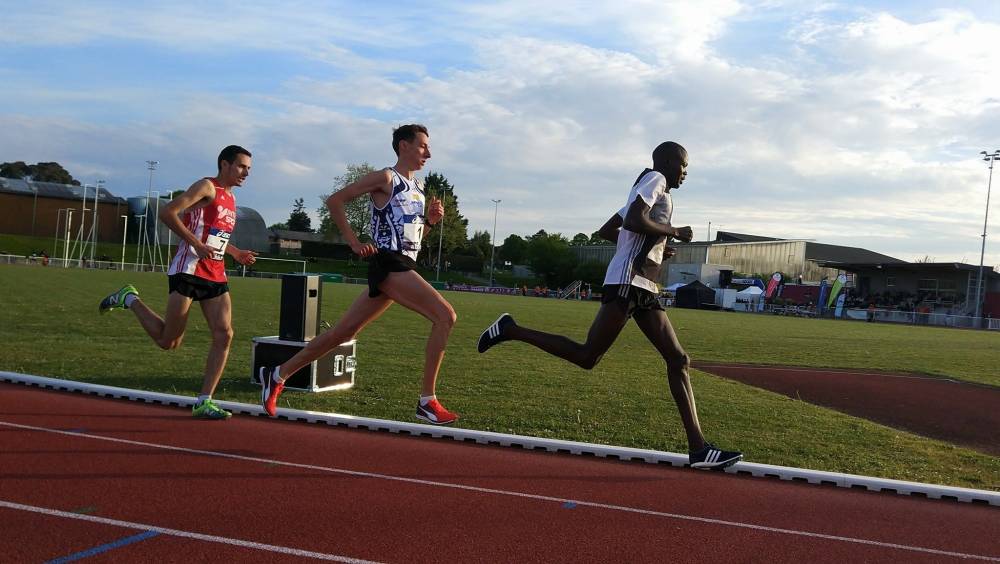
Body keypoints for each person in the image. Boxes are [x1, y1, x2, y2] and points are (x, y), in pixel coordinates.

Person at [477, 141, 742, 469]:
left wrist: (656, 246)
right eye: (683, 165)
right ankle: (510, 329)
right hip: (627, 283)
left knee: (678, 359)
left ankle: (699, 449)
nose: (686, 172)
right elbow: (632, 221)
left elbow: (609, 230)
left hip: (642, 286)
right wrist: (672, 231)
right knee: (588, 356)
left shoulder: (644, 188)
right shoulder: (656, 179)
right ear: (666, 162)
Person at [259, 124, 459, 425]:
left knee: (343, 333)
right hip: (388, 264)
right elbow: (335, 200)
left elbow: (411, 241)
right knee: (445, 316)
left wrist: (429, 222)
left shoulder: (418, 188)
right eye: (423, 146)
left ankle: (277, 374)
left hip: (403, 263)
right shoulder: (386, 178)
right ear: (403, 146)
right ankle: (427, 401)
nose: (428, 153)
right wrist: (354, 242)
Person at [99, 145, 258, 419]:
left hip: (215, 273)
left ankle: (204, 401)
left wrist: (234, 252)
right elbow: (168, 212)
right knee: (168, 341)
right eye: (242, 166)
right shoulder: (206, 187)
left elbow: (214, 235)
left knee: (225, 334)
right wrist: (196, 244)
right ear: (225, 164)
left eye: (249, 169)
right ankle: (129, 298)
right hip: (188, 269)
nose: (246, 173)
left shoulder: (231, 199)